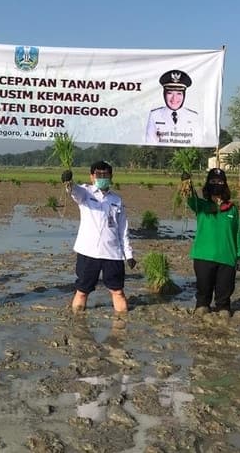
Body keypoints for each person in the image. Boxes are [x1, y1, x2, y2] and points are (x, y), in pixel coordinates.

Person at [61, 161, 136, 313]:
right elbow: (73, 191)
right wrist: (68, 181)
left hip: (112, 253)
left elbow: (123, 229)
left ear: (111, 177)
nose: (102, 177)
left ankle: (121, 329)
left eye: (105, 175)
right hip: (89, 252)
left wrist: (129, 254)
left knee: (118, 292)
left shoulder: (117, 200)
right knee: (82, 291)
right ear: (92, 176)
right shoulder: (85, 193)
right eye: (98, 175)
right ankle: (78, 327)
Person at [183, 168, 240, 317]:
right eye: (212, 181)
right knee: (203, 298)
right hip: (204, 257)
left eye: (219, 181)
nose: (216, 183)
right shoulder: (202, 206)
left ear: (225, 184)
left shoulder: (232, 209)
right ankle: (202, 309)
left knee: (224, 304)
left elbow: (238, 233)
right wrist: (186, 182)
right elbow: (190, 198)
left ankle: (223, 313)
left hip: (227, 259)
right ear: (207, 184)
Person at [145, 69, 199, 146]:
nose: (174, 98)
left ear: (184, 95)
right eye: (170, 93)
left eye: (179, 93)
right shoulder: (154, 115)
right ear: (164, 94)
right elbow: (150, 144)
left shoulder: (193, 116)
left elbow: (198, 144)